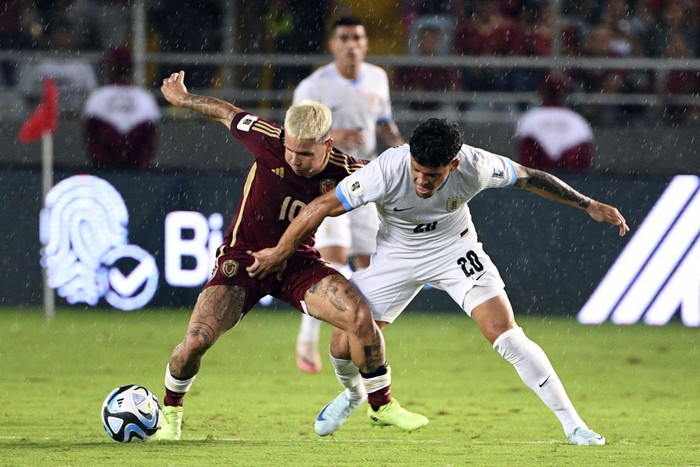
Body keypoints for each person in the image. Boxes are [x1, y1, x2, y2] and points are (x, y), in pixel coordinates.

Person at [248, 118, 630, 445]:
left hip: (454, 250)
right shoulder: (385, 170)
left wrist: (588, 204)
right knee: (343, 341)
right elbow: (319, 207)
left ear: (453, 165)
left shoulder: (478, 166)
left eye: (432, 176)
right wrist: (280, 253)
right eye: (416, 170)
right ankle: (353, 395)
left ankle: (574, 426)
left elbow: (531, 177)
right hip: (396, 256)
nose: (421, 181)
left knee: (507, 335)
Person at [154, 70, 428, 441]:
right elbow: (223, 110)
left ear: (328, 146)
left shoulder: (346, 172)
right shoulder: (267, 138)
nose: (295, 159)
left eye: (306, 153)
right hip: (243, 261)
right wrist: (183, 98)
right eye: (291, 150)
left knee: (360, 317)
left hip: (297, 262)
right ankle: (170, 412)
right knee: (198, 339)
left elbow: (395, 179)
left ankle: (381, 406)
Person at [291, 16, 405, 373]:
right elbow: (292, 136)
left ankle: (355, 338)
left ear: (366, 43)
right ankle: (307, 340)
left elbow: (383, 122)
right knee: (332, 257)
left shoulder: (377, 78)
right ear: (333, 44)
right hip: (328, 183)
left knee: (367, 265)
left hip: (368, 179)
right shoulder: (314, 86)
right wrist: (335, 133)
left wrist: (402, 147)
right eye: (345, 38)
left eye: (358, 37)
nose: (352, 44)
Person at [83, 47, 160, 168]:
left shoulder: (97, 97)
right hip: (129, 169)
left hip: (112, 168)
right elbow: (148, 142)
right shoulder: (145, 98)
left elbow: (92, 138)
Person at [516, 73, 593, 171]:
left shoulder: (530, 118)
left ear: (543, 92)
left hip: (539, 176)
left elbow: (526, 156)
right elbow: (584, 160)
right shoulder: (577, 120)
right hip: (571, 177)